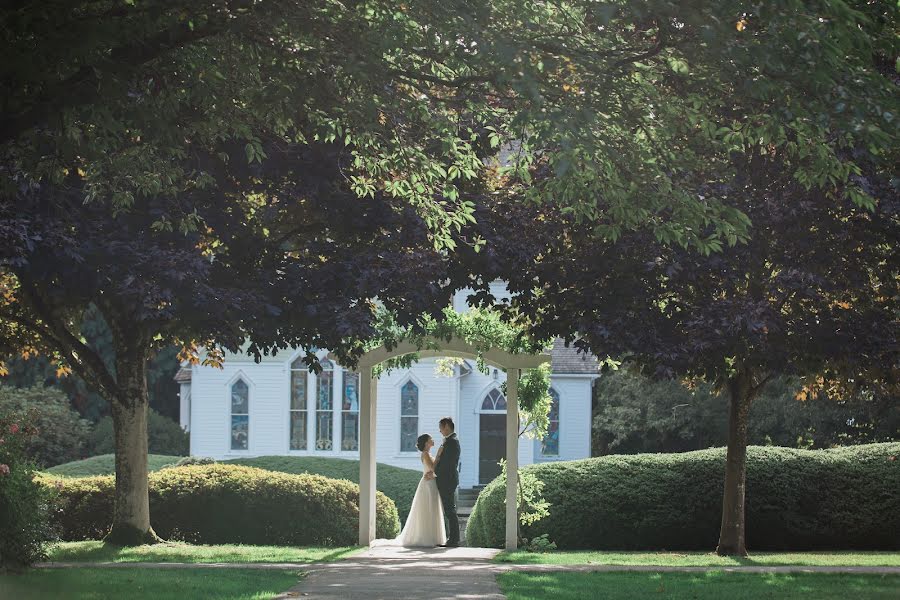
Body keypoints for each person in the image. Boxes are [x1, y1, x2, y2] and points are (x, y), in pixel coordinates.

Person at [394, 433, 446, 547]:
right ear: (427, 443)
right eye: (430, 439)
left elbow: (433, 470)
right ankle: (426, 537)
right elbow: (433, 467)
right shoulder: (425, 454)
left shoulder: (428, 453)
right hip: (428, 485)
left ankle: (433, 536)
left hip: (431, 482)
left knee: (432, 508)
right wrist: (439, 454)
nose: (433, 440)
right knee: (428, 509)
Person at [432, 416, 461, 547]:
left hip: (447, 480)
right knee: (449, 509)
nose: (440, 431)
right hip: (447, 479)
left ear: (447, 427)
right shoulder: (450, 441)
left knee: (450, 509)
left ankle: (454, 539)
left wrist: (435, 473)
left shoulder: (452, 442)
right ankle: (453, 539)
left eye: (441, 428)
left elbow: (447, 464)